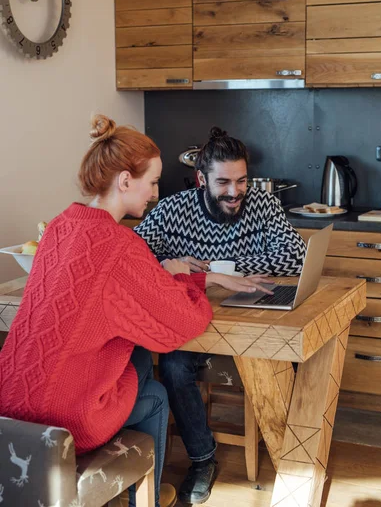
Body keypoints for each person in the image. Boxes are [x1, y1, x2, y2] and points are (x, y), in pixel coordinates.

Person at [0, 116, 272, 507]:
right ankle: (143, 497)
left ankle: (145, 486)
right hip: (63, 418)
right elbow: (183, 323)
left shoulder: (60, 226)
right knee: (157, 392)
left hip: (10, 402)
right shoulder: (120, 245)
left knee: (136, 354)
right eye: (153, 182)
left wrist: (180, 278)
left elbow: (117, 296)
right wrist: (194, 282)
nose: (155, 193)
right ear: (125, 181)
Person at [135, 127, 307, 504]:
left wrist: (216, 269)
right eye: (224, 182)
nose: (235, 192)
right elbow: (133, 255)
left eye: (242, 180)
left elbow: (295, 256)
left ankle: (292, 454)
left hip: (252, 319)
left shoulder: (262, 204)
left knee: (287, 355)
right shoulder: (172, 209)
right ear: (201, 179)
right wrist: (169, 263)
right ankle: (202, 459)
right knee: (175, 369)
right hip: (191, 323)